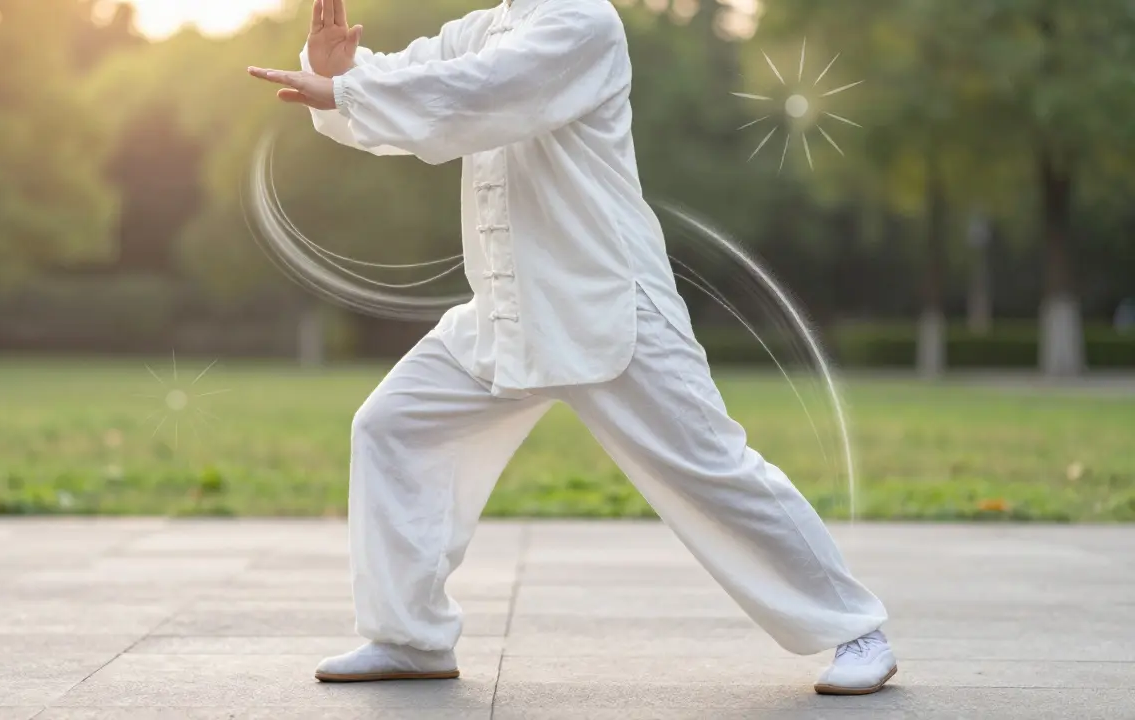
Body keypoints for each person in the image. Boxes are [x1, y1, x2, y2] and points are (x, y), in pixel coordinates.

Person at [248, 0, 896, 696]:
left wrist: (347, 88)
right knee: (393, 427)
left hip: (606, 302)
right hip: (505, 308)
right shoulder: (485, 26)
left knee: (710, 468)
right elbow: (413, 82)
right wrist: (335, 68)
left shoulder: (583, 22)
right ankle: (409, 637)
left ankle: (856, 629)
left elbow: (474, 94)